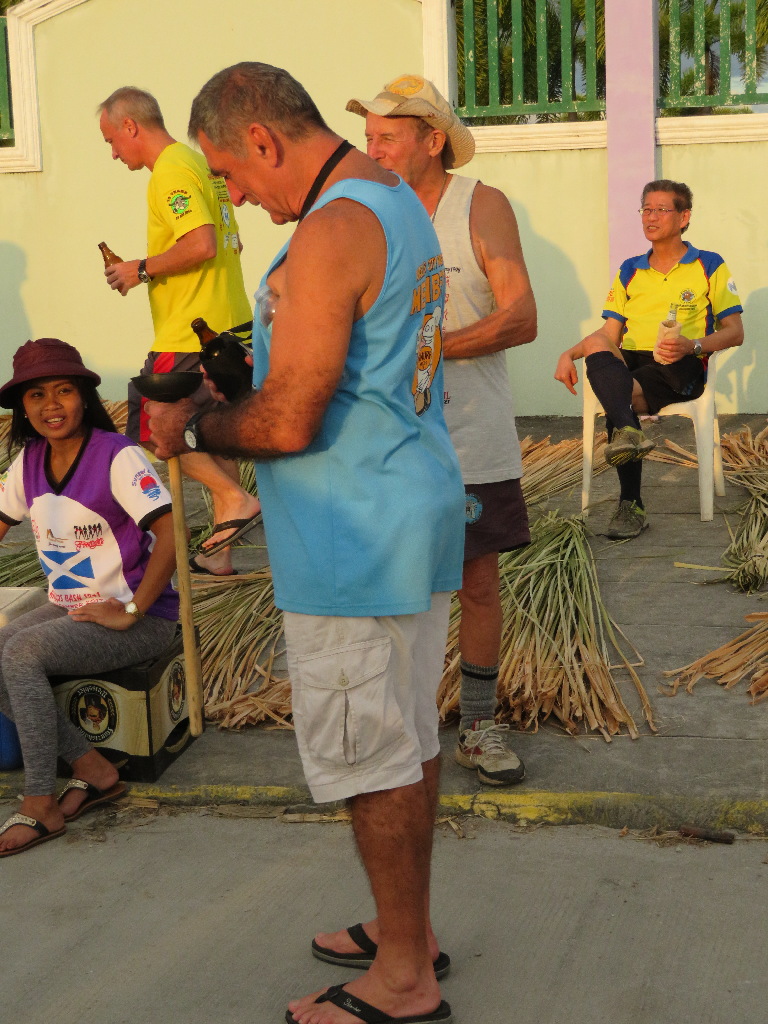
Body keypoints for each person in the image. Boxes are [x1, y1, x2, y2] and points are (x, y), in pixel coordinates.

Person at [146, 62, 464, 1024]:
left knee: (369, 754)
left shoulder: (331, 227)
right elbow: (356, 361)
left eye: (229, 175)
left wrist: (193, 429)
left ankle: (402, 979)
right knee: (405, 737)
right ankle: (409, 930)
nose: (236, 197)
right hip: (407, 502)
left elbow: (289, 422)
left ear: (262, 139)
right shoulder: (395, 199)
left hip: (350, 532)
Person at [346, 75, 537, 790]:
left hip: (468, 435)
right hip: (386, 439)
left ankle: (479, 725)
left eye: (387, 137)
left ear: (433, 140)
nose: (373, 150)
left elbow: (521, 317)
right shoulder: (365, 213)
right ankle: (399, 722)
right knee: (391, 586)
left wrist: (426, 351)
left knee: (477, 583)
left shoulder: (479, 206)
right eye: (368, 138)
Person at [0, 338, 179, 857]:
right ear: (23, 407)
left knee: (22, 652)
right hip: (71, 607)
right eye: (36, 395)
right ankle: (93, 769)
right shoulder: (29, 461)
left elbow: (172, 533)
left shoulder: (117, 455)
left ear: (84, 397)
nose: (50, 405)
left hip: (139, 616)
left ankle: (41, 802)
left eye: (63, 391)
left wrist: (132, 610)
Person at [97, 87, 260, 576]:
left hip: (190, 330)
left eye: (111, 140)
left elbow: (202, 243)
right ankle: (220, 551)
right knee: (216, 437)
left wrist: (141, 269)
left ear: (131, 126)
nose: (113, 153)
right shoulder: (198, 164)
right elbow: (232, 241)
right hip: (232, 320)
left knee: (153, 429)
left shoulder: (169, 170)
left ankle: (235, 498)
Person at [555, 179, 744, 539]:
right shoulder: (631, 269)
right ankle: (629, 438)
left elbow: (735, 331)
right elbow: (609, 334)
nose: (650, 217)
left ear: (684, 217)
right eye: (646, 209)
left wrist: (693, 345)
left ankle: (630, 502)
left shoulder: (709, 264)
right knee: (597, 349)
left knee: (616, 396)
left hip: (680, 362)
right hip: (630, 360)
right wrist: (569, 353)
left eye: (661, 209)